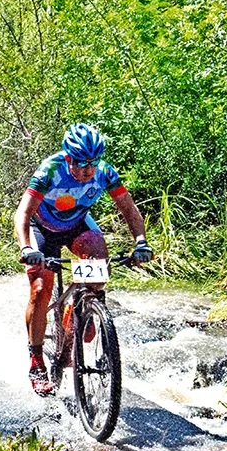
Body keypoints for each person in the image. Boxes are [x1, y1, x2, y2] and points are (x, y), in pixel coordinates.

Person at [12, 123, 153, 396]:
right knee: (41, 288)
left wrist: (141, 243)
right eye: (81, 162)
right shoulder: (51, 170)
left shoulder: (104, 173)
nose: (88, 169)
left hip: (77, 226)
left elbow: (129, 209)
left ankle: (83, 314)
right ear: (68, 157)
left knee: (98, 269)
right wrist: (27, 248)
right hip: (42, 229)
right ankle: (37, 361)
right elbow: (23, 214)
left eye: (93, 162)